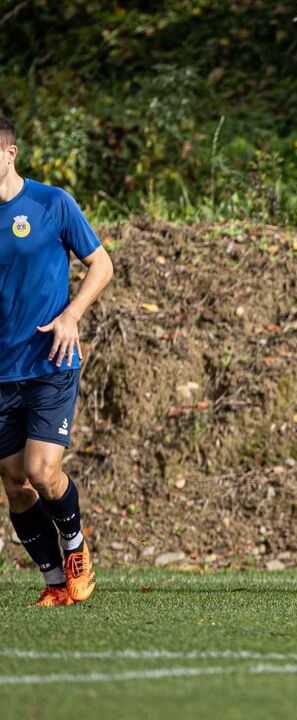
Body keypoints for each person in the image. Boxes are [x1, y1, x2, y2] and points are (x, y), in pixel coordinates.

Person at [0, 115, 114, 607]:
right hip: (2, 372)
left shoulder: (52, 203)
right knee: (14, 483)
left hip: (51, 361)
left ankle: (75, 550)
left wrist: (72, 314)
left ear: (10, 154)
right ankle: (54, 582)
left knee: (42, 471)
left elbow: (102, 264)